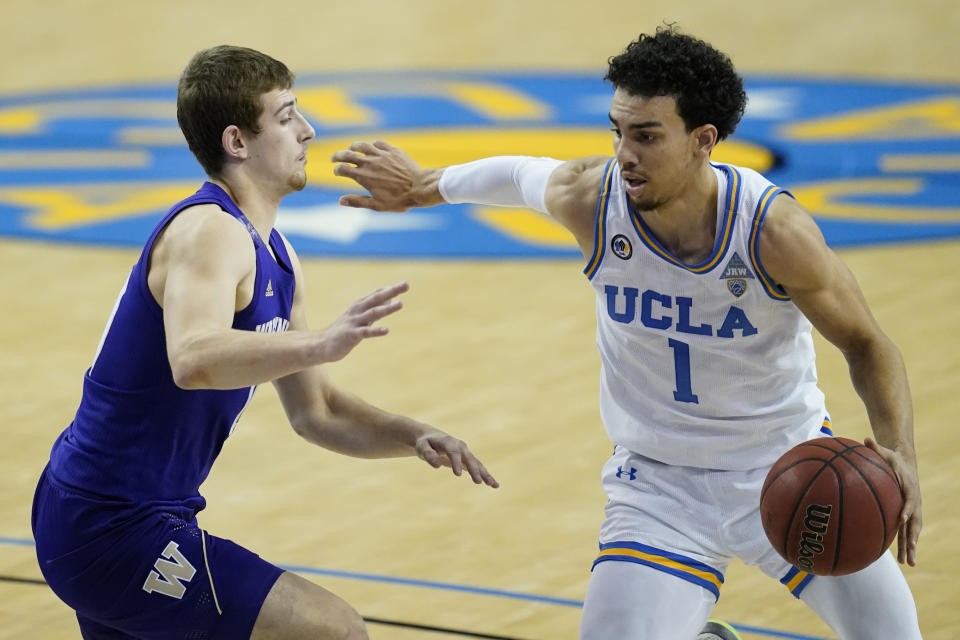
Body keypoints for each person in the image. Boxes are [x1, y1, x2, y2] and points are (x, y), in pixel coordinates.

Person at [331, 25, 923, 640]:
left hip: (786, 465)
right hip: (658, 484)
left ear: (703, 141)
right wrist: (423, 187)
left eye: (646, 136)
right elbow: (517, 176)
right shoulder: (594, 200)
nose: (625, 154)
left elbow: (867, 342)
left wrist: (899, 452)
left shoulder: (773, 233)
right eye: (618, 132)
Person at [31, 45, 498, 640]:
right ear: (237, 142)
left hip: (123, 516)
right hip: (110, 522)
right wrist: (320, 343)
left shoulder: (277, 255)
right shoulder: (210, 232)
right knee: (337, 630)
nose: (308, 130)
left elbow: (318, 413)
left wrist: (415, 436)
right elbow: (193, 358)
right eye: (286, 117)